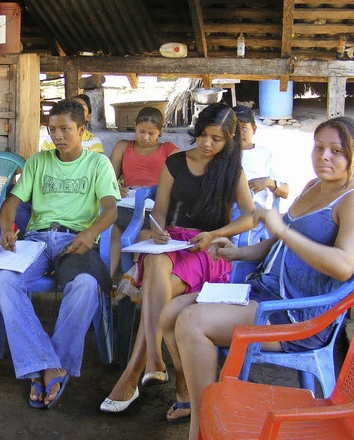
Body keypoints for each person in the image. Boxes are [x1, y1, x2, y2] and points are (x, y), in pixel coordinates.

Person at [159, 116, 354, 439]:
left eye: (336, 151)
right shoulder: (312, 186)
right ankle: (199, 400)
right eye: (319, 148)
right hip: (262, 293)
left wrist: (281, 231)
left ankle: (199, 429)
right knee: (169, 315)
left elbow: (345, 266)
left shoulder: (349, 201)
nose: (324, 157)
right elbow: (277, 243)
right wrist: (238, 253)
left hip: (294, 314)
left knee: (192, 322)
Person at [100, 103, 255, 413]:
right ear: (196, 132)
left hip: (208, 248)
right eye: (203, 136)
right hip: (171, 244)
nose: (208, 144)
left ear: (229, 140)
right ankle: (158, 364)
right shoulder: (174, 163)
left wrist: (215, 234)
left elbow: (251, 217)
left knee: (157, 290)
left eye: (217, 139)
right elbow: (160, 210)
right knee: (157, 262)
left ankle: (137, 374)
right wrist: (158, 229)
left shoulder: (232, 170)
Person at [0, 99, 119, 409]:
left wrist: (90, 234)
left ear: (82, 130)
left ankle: (46, 366)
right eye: (52, 130)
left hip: (74, 240)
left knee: (87, 286)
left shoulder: (97, 164)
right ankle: (48, 363)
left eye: (65, 129)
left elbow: (111, 209)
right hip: (35, 240)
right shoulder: (38, 161)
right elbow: (12, 201)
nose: (58, 136)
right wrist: (6, 226)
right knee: (5, 281)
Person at [108, 107, 179, 277]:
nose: (145, 137)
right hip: (127, 204)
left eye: (151, 133)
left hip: (154, 207)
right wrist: (116, 187)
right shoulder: (123, 147)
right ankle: (106, 282)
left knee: (144, 235)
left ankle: (134, 280)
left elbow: (181, 177)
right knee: (113, 232)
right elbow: (108, 178)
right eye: (141, 131)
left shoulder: (168, 149)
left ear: (160, 132)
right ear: (135, 126)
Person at [232, 105, 290, 243]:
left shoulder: (265, 153)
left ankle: (238, 249)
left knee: (250, 212)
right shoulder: (221, 153)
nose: (239, 132)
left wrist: (269, 182)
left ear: (254, 129)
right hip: (226, 206)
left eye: (244, 127)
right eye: (234, 128)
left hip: (253, 208)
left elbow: (286, 191)